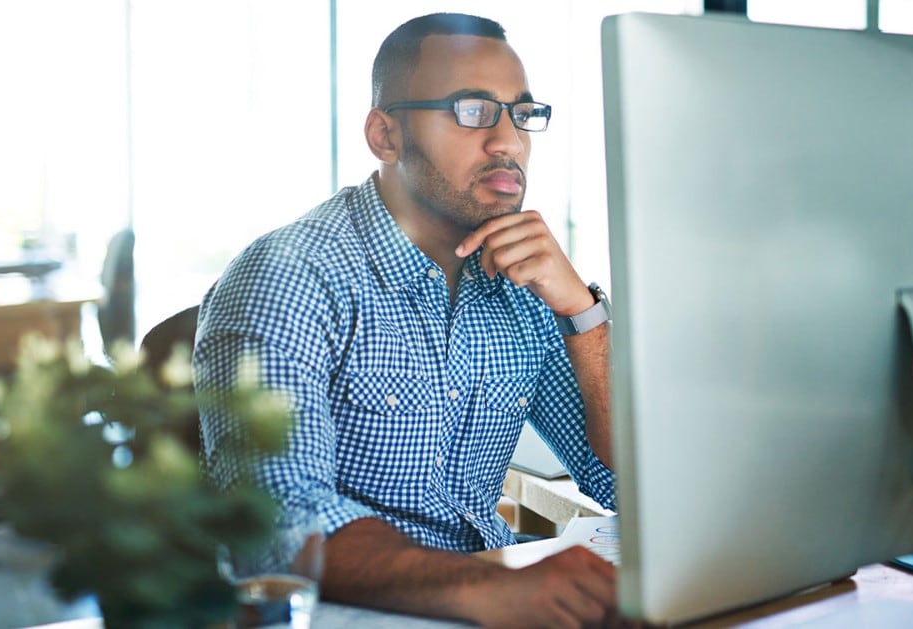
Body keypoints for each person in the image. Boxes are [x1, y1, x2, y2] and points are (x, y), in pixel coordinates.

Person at [195, 12, 623, 627]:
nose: (507, 141)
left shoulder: (524, 280)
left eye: (521, 115)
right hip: (341, 613)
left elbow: (623, 483)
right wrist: (489, 585)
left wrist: (584, 312)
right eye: (473, 110)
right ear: (385, 135)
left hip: (487, 599)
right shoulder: (289, 277)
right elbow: (279, 528)